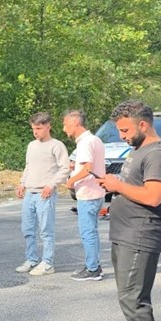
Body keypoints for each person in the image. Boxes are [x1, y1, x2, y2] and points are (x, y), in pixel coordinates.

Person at [98, 100, 161, 321]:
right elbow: (135, 190)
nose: (122, 136)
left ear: (142, 124)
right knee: (127, 295)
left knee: (134, 297)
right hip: (124, 233)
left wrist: (117, 185)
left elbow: (153, 197)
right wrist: (115, 195)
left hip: (141, 236)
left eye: (125, 130)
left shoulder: (158, 155)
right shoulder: (138, 150)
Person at [15, 112, 70, 276]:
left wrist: (52, 185)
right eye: (33, 129)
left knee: (46, 230)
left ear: (48, 127)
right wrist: (22, 183)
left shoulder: (57, 146)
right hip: (30, 193)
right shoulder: (32, 145)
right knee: (28, 229)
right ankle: (31, 259)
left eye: (39, 128)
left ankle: (47, 263)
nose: (35, 132)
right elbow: (28, 166)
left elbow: (65, 168)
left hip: (45, 193)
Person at [62, 110, 106, 281]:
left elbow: (87, 168)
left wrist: (71, 180)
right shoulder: (94, 139)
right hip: (95, 192)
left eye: (66, 124)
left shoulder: (85, 143)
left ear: (75, 123)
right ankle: (94, 264)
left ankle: (92, 269)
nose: (64, 128)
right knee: (92, 232)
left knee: (88, 232)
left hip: (88, 194)